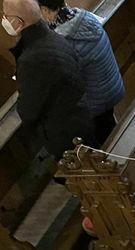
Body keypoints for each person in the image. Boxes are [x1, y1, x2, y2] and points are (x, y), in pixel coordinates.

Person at [3, 0, 93, 160]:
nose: (4, 20)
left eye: (6, 16)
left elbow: (28, 111)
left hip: (67, 136)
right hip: (82, 117)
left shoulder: (31, 60)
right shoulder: (53, 36)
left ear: (17, 21)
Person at [37, 0, 125, 146]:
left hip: (97, 104)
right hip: (111, 87)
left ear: (46, 11)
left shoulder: (63, 41)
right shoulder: (82, 16)